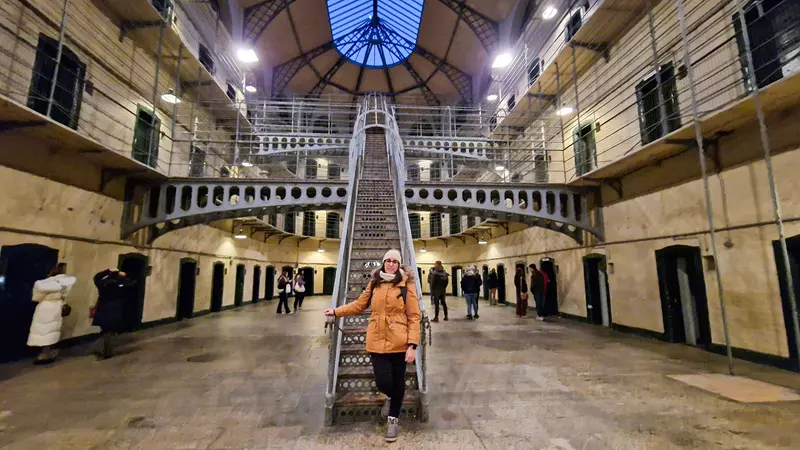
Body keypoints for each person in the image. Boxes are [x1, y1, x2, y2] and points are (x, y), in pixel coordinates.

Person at [324, 249, 420, 443]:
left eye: (395, 261)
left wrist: (413, 345)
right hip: (376, 340)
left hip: (400, 341)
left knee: (399, 382)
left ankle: (393, 420)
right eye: (388, 261)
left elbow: (414, 315)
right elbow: (359, 305)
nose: (391, 264)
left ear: (399, 264)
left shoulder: (406, 284)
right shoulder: (374, 282)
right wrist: (336, 311)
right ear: (383, 262)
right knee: (383, 382)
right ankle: (392, 399)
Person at [27, 263, 76, 365]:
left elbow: (37, 298)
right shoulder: (66, 283)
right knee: (52, 331)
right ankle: (48, 352)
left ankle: (42, 354)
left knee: (41, 331)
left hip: (44, 307)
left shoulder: (42, 284)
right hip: (56, 307)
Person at [93, 268, 137, 359]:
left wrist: (107, 271)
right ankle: (108, 351)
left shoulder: (103, 284)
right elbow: (133, 281)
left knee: (105, 330)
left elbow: (96, 277)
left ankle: (105, 349)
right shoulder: (120, 284)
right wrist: (124, 275)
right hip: (115, 309)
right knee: (111, 331)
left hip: (103, 308)